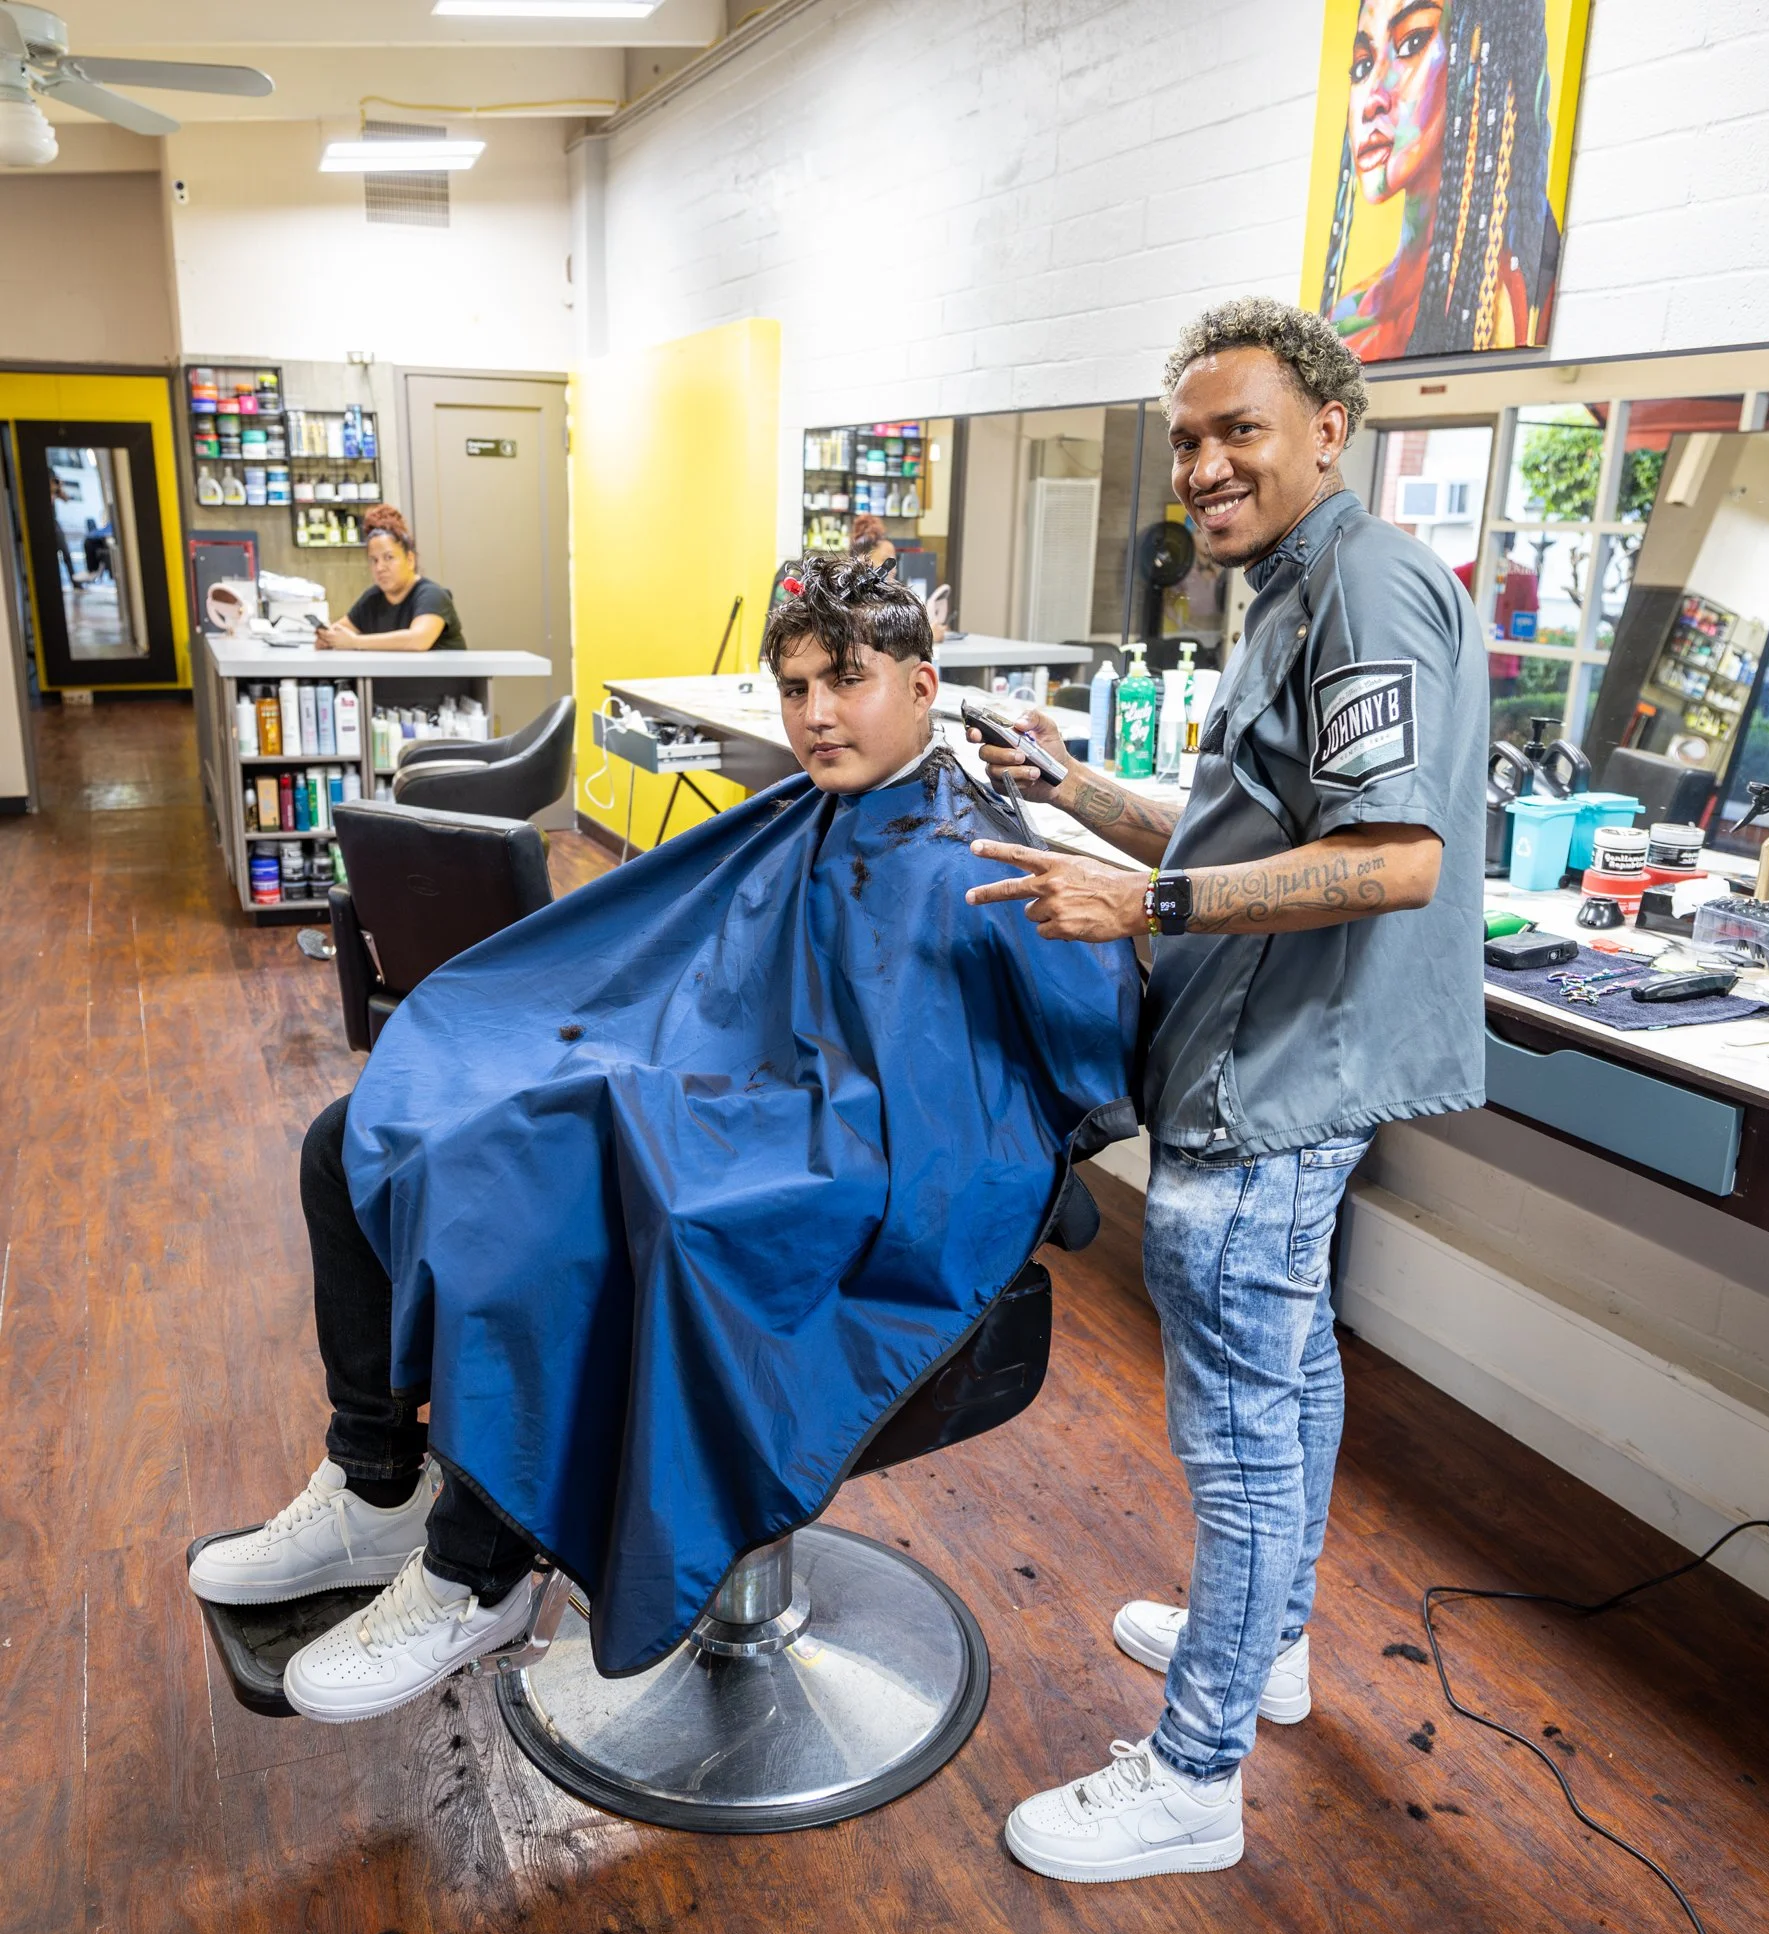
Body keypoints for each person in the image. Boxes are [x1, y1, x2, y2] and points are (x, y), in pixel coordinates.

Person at [188, 555, 1136, 1721]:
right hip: (718, 1080)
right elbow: (704, 964)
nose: (814, 715)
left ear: (926, 682)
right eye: (793, 687)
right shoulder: (812, 812)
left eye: (846, 680)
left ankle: (472, 1571)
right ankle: (371, 1482)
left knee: (568, 1206)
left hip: (845, 1152)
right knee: (353, 1135)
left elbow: (1076, 1048)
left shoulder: (984, 849)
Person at [965, 296, 1487, 1883]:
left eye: (1235, 431)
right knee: (1293, 1379)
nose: (1199, 466)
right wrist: (1076, 795)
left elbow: (1390, 861)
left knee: (1241, 1433)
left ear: (1329, 429)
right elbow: (1236, 840)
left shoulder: (1369, 588)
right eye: (1185, 438)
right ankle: (1268, 1643)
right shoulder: (1281, 590)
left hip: (1272, 1081)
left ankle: (1193, 1775)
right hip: (1257, 1053)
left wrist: (1147, 911)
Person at [1318, 0, 1562, 361]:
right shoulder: (1348, 320)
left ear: (1478, 57)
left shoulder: (1511, 300)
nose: (1372, 100)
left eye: (1411, 43)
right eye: (1363, 65)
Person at [314, 504, 466, 653]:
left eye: (389, 558)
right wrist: (327, 638)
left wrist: (355, 642)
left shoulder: (432, 595)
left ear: (410, 560)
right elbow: (340, 631)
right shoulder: (373, 598)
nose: (380, 567)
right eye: (374, 560)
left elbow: (418, 640)